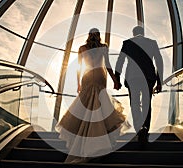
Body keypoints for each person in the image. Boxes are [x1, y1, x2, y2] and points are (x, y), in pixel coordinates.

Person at [55, 28, 131, 163]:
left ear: (88, 35)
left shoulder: (82, 48)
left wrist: (78, 83)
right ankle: (99, 140)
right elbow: (107, 65)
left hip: (88, 76)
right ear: (99, 36)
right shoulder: (103, 47)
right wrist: (114, 80)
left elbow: (79, 67)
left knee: (86, 106)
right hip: (100, 77)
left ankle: (85, 139)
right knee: (100, 105)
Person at [115, 26, 164, 143]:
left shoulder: (127, 43)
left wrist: (117, 79)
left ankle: (139, 128)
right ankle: (145, 128)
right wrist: (159, 81)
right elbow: (159, 61)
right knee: (147, 103)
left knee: (135, 104)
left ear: (133, 33)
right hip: (148, 77)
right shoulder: (152, 43)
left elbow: (120, 62)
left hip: (133, 77)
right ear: (143, 33)